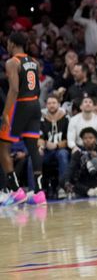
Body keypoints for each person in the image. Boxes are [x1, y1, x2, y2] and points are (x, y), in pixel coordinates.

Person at [1, 32, 47, 206]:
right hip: (35, 104)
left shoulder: (12, 62)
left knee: (3, 147)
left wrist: (5, 113)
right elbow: (37, 87)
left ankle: (15, 190)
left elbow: (13, 89)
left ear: (12, 44)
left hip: (20, 104)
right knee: (33, 148)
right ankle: (39, 193)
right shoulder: (34, 62)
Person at [65, 127, 97, 198]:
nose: (88, 140)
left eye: (91, 138)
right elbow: (71, 168)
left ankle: (95, 190)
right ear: (82, 140)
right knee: (65, 180)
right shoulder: (78, 152)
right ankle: (90, 191)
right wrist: (67, 181)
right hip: (84, 180)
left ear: (95, 139)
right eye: (85, 138)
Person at [39, 95, 70, 198]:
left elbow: (69, 139)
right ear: (46, 105)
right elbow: (39, 137)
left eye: (54, 103)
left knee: (63, 154)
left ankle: (62, 187)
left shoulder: (66, 118)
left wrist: (56, 145)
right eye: (49, 103)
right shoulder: (42, 119)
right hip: (46, 150)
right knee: (33, 158)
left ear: (59, 104)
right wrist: (42, 146)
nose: (51, 105)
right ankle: (35, 189)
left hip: (60, 149)